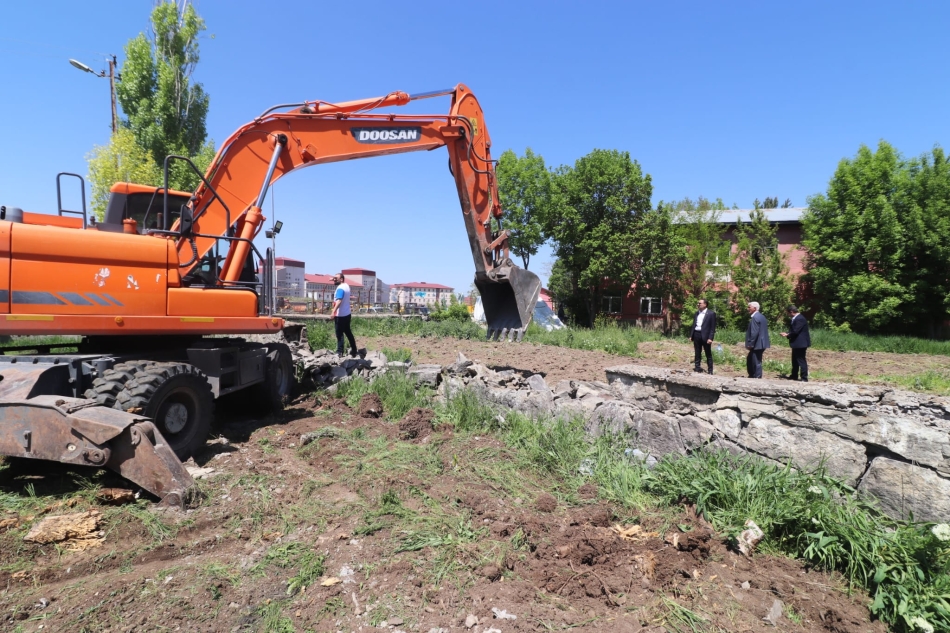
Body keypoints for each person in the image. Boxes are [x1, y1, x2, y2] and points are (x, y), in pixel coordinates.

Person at [780, 304, 811, 382]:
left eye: (788, 313)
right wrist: (787, 333)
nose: (788, 315)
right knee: (794, 360)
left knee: (801, 360)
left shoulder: (799, 319)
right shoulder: (796, 318)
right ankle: (794, 375)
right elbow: (793, 330)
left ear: (791, 312)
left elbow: (796, 331)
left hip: (801, 343)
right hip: (797, 343)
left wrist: (788, 334)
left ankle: (804, 377)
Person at [331, 272, 358, 358]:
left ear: (341, 279)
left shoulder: (340, 289)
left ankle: (339, 352)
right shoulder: (346, 286)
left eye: (336, 278)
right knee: (348, 332)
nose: (334, 279)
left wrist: (333, 312)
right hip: (347, 314)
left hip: (340, 315)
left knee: (339, 334)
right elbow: (337, 280)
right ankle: (354, 350)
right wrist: (333, 279)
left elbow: (339, 301)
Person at [687, 298, 717, 374]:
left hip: (706, 336)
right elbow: (694, 325)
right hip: (697, 334)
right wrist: (691, 335)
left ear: (705, 304)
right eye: (698, 303)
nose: (698, 304)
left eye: (699, 303)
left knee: (708, 353)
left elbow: (712, 328)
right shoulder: (697, 313)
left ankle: (710, 370)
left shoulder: (711, 314)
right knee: (697, 352)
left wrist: (710, 338)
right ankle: (697, 368)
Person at [745, 301, 770, 378]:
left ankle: (757, 376)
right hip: (762, 342)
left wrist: (750, 344)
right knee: (751, 359)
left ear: (754, 308)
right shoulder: (762, 316)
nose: (748, 309)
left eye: (749, 307)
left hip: (757, 343)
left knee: (755, 360)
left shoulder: (755, 317)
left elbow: (754, 332)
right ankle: (752, 375)